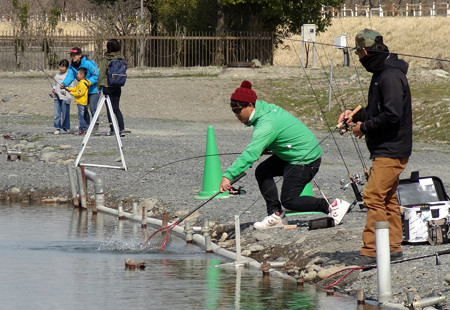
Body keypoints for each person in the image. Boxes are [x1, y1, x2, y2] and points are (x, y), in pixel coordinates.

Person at [219, 80, 350, 230]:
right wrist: (272, 146)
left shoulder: (266, 123)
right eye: (233, 111)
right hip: (291, 155)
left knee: (289, 201)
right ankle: (276, 215)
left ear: (250, 106)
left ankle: (332, 206)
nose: (236, 115)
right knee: (263, 171)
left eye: (237, 110)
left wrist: (228, 176)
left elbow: (250, 153)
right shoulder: (265, 110)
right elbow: (282, 133)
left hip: (305, 159)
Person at [339, 29, 412, 266]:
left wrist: (365, 128)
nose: (359, 59)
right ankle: (393, 248)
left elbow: (392, 115)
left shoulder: (389, 76)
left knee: (371, 196)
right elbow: (377, 110)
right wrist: (354, 115)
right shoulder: (382, 72)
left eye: (359, 54)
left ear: (364, 51)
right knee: (387, 198)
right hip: (387, 149)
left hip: (392, 149)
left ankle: (371, 252)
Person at [60, 47, 99, 133]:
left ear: (80, 55)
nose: (73, 57)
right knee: (84, 108)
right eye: (72, 55)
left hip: (93, 90)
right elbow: (69, 77)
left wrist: (87, 82)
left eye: (75, 55)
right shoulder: (72, 67)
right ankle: (87, 126)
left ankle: (96, 125)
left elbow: (96, 75)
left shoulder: (88, 63)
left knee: (93, 108)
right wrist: (64, 84)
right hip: (83, 91)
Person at [98, 39, 126, 136]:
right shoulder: (121, 58)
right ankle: (122, 128)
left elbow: (101, 74)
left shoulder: (106, 59)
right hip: (118, 85)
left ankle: (113, 129)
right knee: (116, 107)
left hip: (107, 85)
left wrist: (98, 87)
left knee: (109, 108)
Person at [66, 67, 91, 135]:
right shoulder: (81, 82)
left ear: (82, 75)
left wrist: (72, 93)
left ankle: (83, 129)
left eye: (78, 74)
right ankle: (85, 128)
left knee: (81, 116)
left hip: (81, 102)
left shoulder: (82, 84)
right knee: (84, 115)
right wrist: (69, 89)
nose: (77, 75)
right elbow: (76, 88)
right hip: (83, 102)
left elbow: (79, 93)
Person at [52, 59, 72, 134]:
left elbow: (71, 86)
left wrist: (66, 90)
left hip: (65, 97)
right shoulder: (57, 75)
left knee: (65, 113)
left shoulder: (69, 76)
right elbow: (55, 84)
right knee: (57, 113)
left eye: (63, 67)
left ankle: (66, 127)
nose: (61, 68)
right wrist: (54, 90)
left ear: (67, 68)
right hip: (57, 96)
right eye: (60, 66)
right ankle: (57, 127)